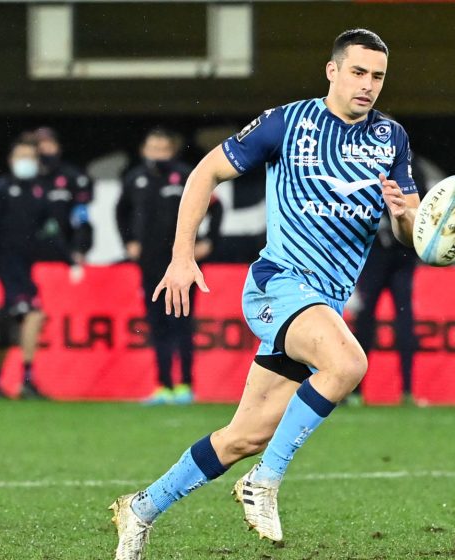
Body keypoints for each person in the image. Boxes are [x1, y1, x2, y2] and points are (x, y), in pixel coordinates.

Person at [109, 29, 419, 559]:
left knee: (243, 437)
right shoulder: (288, 122)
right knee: (347, 363)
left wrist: (407, 215)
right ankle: (265, 482)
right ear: (333, 70)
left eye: (378, 76)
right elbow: (205, 172)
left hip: (323, 303)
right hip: (278, 285)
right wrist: (182, 257)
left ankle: (140, 509)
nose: (368, 85)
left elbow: (412, 236)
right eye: (358, 72)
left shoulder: (392, 138)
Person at [116, 128, 222, 405]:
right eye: (153, 149)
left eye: (163, 149)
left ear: (171, 151)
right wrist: (129, 241)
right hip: (150, 263)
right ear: (144, 150)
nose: (158, 154)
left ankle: (186, 386)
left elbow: (217, 207)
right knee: (158, 324)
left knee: (182, 323)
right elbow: (121, 211)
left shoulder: (188, 175)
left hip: (183, 263)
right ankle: (163, 386)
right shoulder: (135, 179)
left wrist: (208, 241)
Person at [0, 135, 82, 399]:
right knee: (31, 316)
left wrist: (69, 260)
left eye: (30, 158)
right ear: (11, 160)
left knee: (9, 322)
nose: (25, 162)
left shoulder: (39, 192)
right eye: (20, 157)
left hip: (25, 266)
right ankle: (24, 380)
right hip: (5, 266)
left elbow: (51, 231)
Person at [349, 212, 419, 406]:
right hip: (378, 254)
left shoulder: (408, 182)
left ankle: (407, 390)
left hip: (400, 256)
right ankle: (355, 389)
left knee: (404, 322)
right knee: (365, 322)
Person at [33, 126, 94, 268]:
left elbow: (81, 217)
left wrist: (80, 248)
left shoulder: (72, 177)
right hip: (32, 252)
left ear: (58, 147)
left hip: (66, 253)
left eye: (49, 144)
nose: (44, 149)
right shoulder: (26, 179)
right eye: (39, 146)